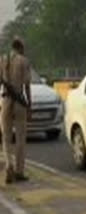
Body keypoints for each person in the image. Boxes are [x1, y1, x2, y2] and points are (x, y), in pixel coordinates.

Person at [0, 38, 32, 184]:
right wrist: (29, 105)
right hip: (19, 101)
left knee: (6, 138)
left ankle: (8, 165)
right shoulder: (23, 61)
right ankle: (19, 171)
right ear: (20, 47)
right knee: (20, 138)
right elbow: (27, 86)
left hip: (5, 100)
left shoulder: (3, 59)